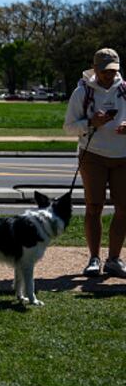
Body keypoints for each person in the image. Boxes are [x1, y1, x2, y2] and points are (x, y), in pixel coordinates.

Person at [63, 47, 126, 278]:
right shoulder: (82, 93)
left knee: (123, 209)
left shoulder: (124, 90)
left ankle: (114, 259)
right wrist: (91, 122)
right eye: (106, 71)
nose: (110, 76)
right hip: (93, 156)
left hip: (123, 157)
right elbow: (69, 127)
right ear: (96, 69)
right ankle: (94, 258)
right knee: (94, 207)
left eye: (114, 71)